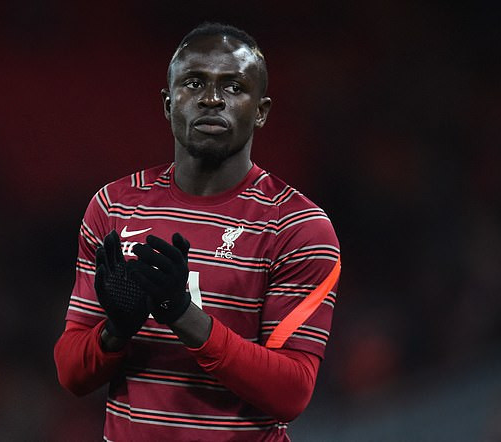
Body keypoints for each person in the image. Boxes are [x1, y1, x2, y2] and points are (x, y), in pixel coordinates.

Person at [54, 22, 341, 441]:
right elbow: (70, 374)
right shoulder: (113, 206)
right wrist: (115, 331)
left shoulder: (298, 227)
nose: (212, 99)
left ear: (261, 112)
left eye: (233, 87)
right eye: (194, 83)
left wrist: (181, 314)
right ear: (168, 103)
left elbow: (291, 392)